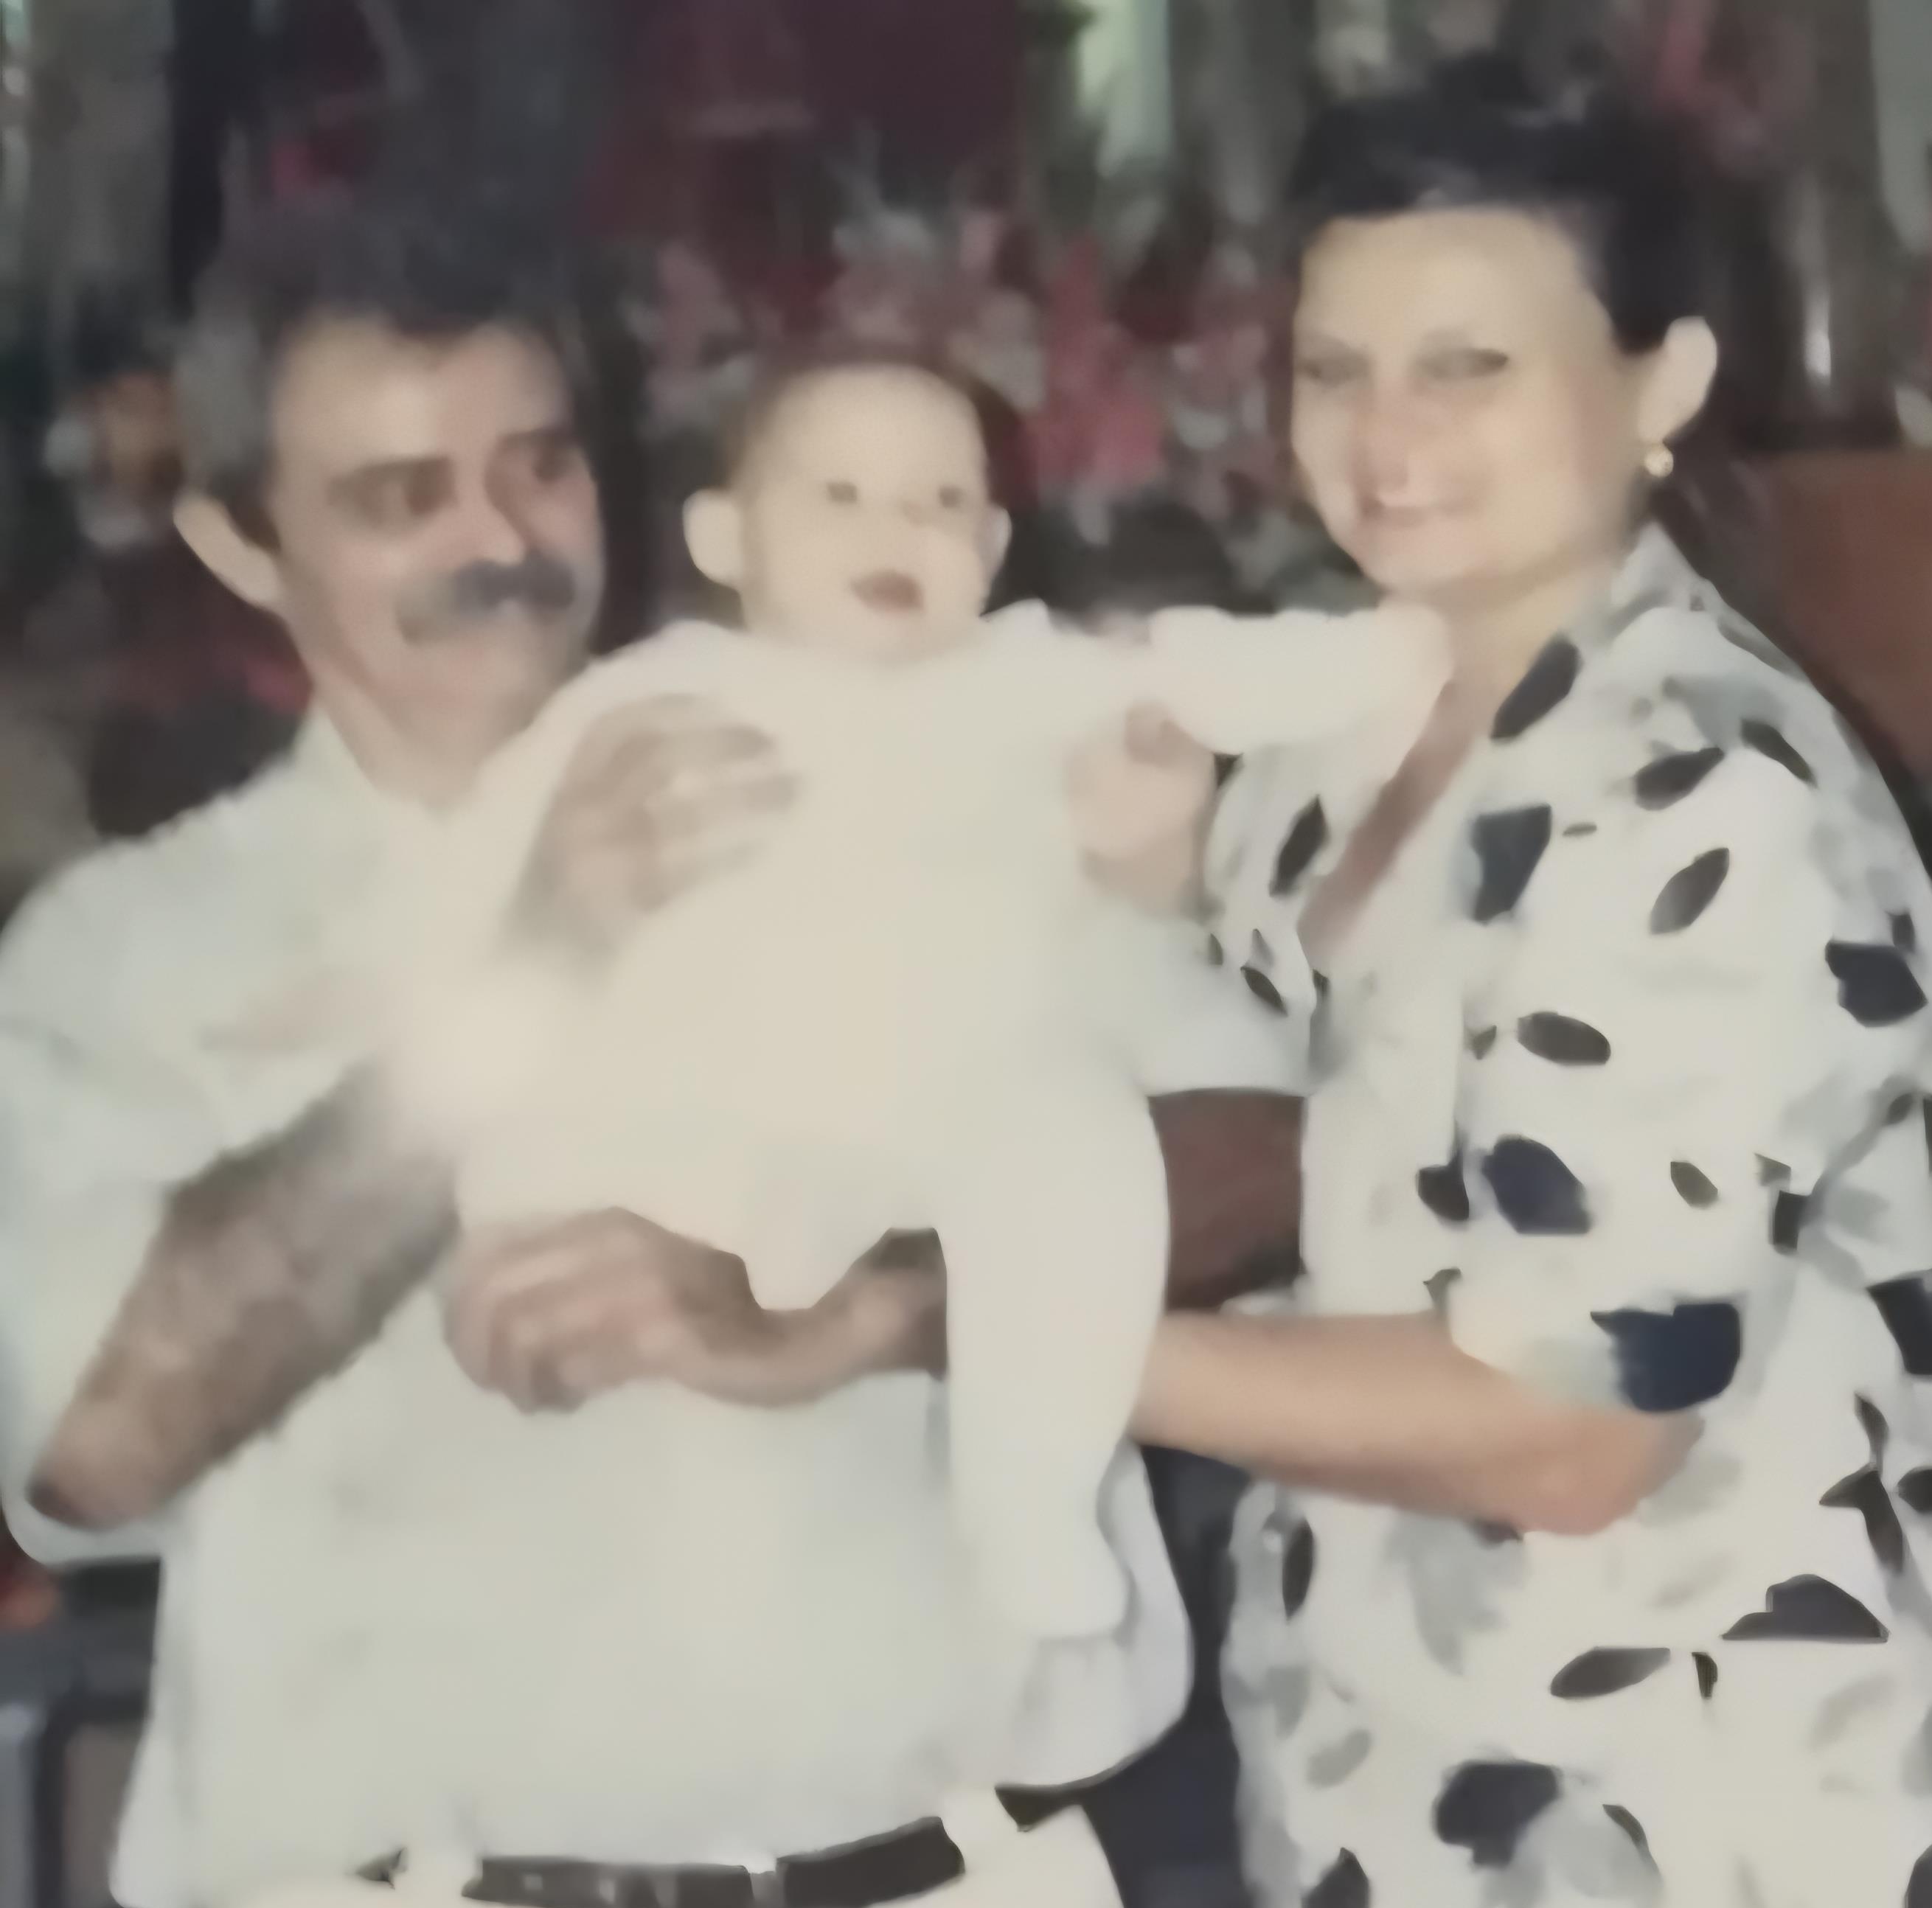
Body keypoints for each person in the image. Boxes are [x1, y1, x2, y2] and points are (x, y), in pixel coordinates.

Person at [841, 58, 1932, 1908]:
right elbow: (1293, 1116)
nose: (1383, 434)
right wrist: (1125, 887)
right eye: (1334, 364)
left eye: (1467, 362)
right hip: (1412, 1818)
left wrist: (976, 1324)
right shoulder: (1357, 723)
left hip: (1764, 1869)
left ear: (1660, 384)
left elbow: (1561, 1424)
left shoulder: (1701, 785)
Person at [0, 180, 1262, 1908]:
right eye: (396, 494)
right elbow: (97, 1428)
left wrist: (876, 1306)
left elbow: (1273, 1150)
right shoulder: (139, 954)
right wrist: (522, 976)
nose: (497, 539)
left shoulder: (890, 774)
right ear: (236, 542)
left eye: (535, 463)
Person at [435, 346, 1445, 1641]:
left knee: (1080, 1155)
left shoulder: (1021, 672)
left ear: (994, 546)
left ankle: (1024, 1499)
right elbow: (488, 865)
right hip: (749, 1093)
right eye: (840, 496)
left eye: (942, 502)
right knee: (584, 1175)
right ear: (725, 538)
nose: (896, 530)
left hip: (971, 1090)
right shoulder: (650, 694)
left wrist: (1401, 654)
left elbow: (1213, 670)